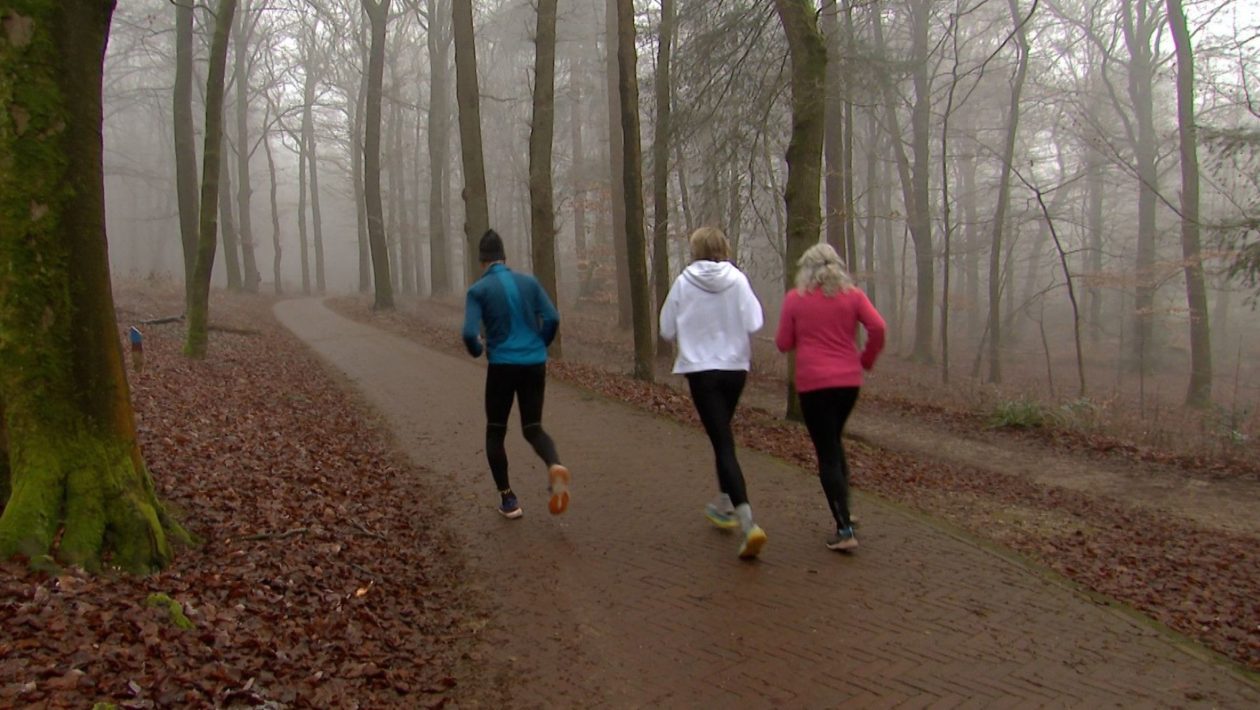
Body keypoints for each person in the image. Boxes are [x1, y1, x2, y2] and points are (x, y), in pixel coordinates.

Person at [659, 227, 767, 559]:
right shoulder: (737, 280)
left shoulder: (683, 282)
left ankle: (748, 523)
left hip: (701, 370)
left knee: (722, 443)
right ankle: (723, 503)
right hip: (735, 369)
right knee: (723, 440)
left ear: (694, 250)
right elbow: (755, 323)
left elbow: (665, 329)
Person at [775, 243, 885, 551]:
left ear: (806, 270)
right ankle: (846, 510)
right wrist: (866, 359)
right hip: (848, 382)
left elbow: (783, 343)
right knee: (834, 442)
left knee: (827, 452)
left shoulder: (795, 300)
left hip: (814, 384)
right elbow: (878, 327)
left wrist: (800, 335)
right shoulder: (854, 297)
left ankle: (844, 528)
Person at [462, 229, 570, 519]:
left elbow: (469, 333)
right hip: (534, 364)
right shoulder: (529, 282)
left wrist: (477, 350)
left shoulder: (478, 290)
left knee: (496, 431)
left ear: (482, 262)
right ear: (504, 258)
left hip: (502, 366)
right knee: (533, 427)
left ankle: (508, 500)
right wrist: (540, 343)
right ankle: (555, 466)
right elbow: (553, 317)